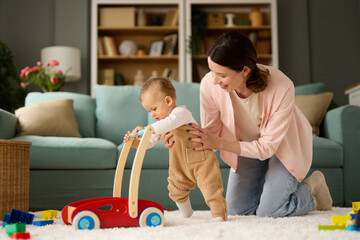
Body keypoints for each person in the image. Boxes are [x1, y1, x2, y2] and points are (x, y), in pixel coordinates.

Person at [162, 31, 333, 217]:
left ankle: (313, 187)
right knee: (237, 211)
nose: (214, 80)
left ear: (244, 70)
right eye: (212, 71)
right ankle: (269, 194)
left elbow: (267, 147)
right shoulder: (209, 85)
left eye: (221, 75)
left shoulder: (282, 86)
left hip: (282, 148)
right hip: (245, 146)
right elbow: (210, 133)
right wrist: (180, 136)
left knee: (269, 212)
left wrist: (219, 143)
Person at [123, 77, 227, 221]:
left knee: (211, 188)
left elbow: (168, 124)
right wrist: (136, 142)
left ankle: (219, 215)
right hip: (179, 164)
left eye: (154, 109)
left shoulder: (181, 113)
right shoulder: (159, 125)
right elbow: (149, 142)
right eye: (149, 111)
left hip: (201, 160)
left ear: (168, 101)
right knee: (175, 189)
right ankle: (187, 214)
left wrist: (146, 129)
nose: (152, 115)